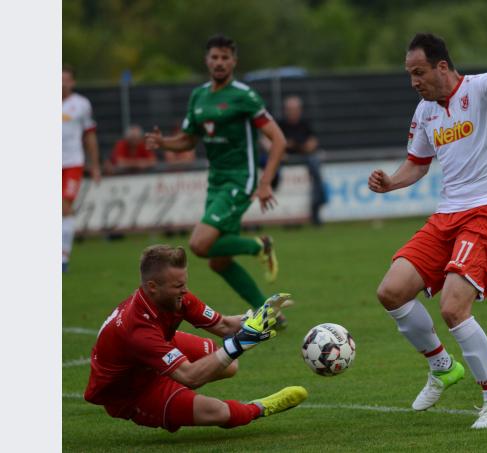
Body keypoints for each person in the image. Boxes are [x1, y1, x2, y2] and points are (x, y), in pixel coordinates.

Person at [368, 32, 487, 429]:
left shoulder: (483, 89)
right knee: (391, 292)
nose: (414, 81)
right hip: (446, 215)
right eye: (410, 74)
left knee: (452, 306)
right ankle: (442, 366)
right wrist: (391, 182)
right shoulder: (424, 111)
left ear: (442, 66)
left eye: (419, 72)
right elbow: (417, 163)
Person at [83, 244, 307, 432]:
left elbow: (223, 324)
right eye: (179, 285)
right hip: (131, 390)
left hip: (158, 347)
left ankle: (170, 375)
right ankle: (259, 408)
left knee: (229, 366)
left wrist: (259, 315)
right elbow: (191, 377)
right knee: (217, 411)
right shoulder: (138, 331)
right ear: (152, 287)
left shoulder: (175, 297)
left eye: (185, 283)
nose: (185, 291)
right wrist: (240, 343)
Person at [145, 34, 287, 325]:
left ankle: (259, 246)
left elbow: (278, 140)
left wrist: (264, 182)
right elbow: (187, 140)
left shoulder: (244, 96)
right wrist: (163, 143)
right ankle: (270, 313)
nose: (219, 62)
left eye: (225, 57)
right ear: (206, 60)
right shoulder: (198, 96)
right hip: (216, 182)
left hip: (240, 180)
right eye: (214, 57)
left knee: (198, 245)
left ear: (233, 61)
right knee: (218, 261)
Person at [62, 65, 101, 272]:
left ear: (72, 82)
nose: (61, 83)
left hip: (72, 163)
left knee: (64, 206)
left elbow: (90, 136)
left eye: (65, 79)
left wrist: (94, 165)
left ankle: (63, 255)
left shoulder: (81, 105)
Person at [277, 95, 327, 226]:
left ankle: (317, 204)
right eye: (290, 109)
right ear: (285, 110)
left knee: (316, 165)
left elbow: (312, 143)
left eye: (295, 109)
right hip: (283, 159)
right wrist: (281, 150)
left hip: (305, 158)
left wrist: (301, 146)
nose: (292, 112)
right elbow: (270, 141)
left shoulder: (305, 124)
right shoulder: (279, 124)